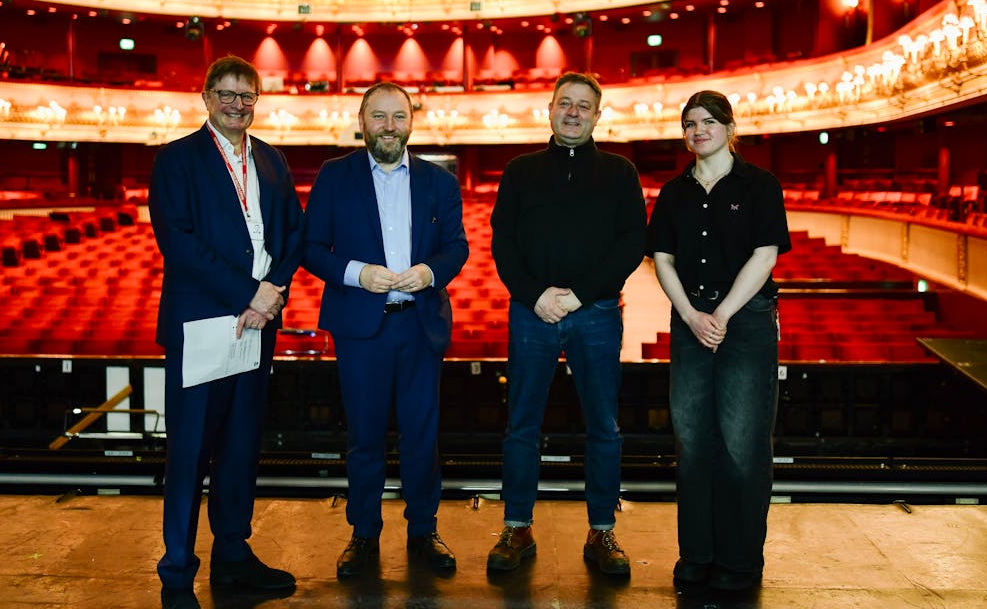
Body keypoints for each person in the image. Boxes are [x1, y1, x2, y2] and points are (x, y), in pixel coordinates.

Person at [148, 56, 304, 608]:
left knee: (240, 450)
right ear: (207, 95)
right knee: (190, 452)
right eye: (228, 94)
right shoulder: (176, 160)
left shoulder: (272, 159)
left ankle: (233, 556)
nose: (238, 105)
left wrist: (272, 293)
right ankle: (176, 572)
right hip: (205, 324)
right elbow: (180, 243)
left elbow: (292, 234)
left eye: (248, 96)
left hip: (257, 324)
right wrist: (249, 292)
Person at [303, 81, 469, 579]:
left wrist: (430, 273)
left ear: (412, 121)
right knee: (364, 437)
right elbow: (311, 248)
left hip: (419, 326)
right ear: (362, 120)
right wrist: (358, 273)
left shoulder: (439, 181)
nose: (389, 126)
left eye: (398, 116)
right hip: (361, 329)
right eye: (379, 116)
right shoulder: (334, 177)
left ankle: (423, 530)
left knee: (422, 436)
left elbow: (456, 247)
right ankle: (364, 534)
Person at [487, 72, 646, 576]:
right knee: (521, 427)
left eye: (584, 106)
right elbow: (502, 242)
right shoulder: (520, 170)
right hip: (532, 313)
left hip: (595, 312)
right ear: (549, 109)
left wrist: (579, 295)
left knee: (603, 427)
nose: (573, 113)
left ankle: (602, 531)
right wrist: (536, 296)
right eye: (565, 104)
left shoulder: (620, 172)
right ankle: (517, 526)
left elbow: (630, 244)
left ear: (598, 116)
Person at [646, 90, 790, 593]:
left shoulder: (759, 186)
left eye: (708, 121)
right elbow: (661, 258)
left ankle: (740, 560)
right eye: (689, 123)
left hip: (745, 320)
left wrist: (722, 314)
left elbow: (766, 255)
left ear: (731, 127)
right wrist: (690, 314)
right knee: (692, 442)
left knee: (743, 446)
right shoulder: (673, 193)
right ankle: (698, 554)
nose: (697, 130)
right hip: (691, 321)